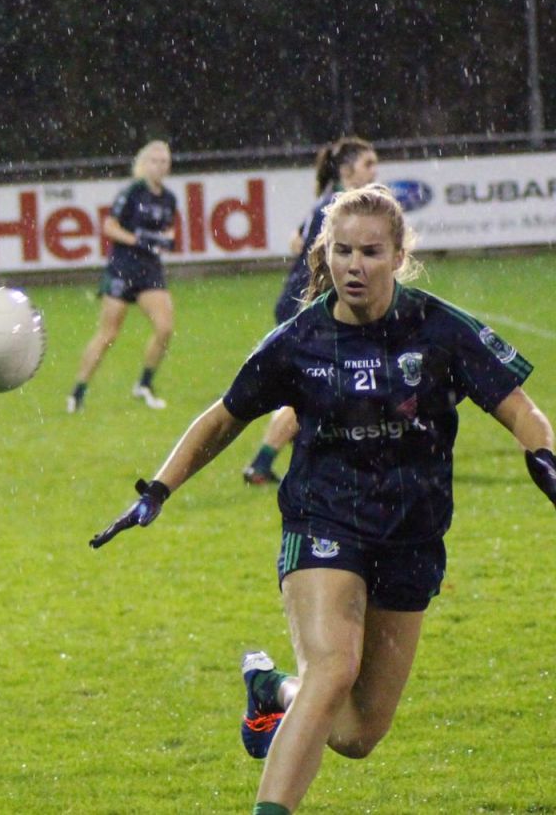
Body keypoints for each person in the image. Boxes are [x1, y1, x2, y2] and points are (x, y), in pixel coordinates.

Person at [90, 184, 556, 815]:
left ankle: (271, 689)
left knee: (359, 734)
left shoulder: (438, 328)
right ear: (325, 253)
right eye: (341, 251)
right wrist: (160, 488)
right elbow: (223, 419)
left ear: (397, 255)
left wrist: (544, 457)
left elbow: (518, 407)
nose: (353, 266)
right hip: (323, 520)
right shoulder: (297, 341)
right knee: (334, 667)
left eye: (369, 252)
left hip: (412, 535)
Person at [243, 137, 378, 485]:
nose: (375, 170)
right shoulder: (342, 207)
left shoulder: (330, 203)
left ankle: (313, 454)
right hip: (307, 304)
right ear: (347, 170)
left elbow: (295, 240)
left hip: (303, 300)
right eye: (368, 163)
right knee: (313, 387)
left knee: (324, 385)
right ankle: (262, 463)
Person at [67, 139, 178, 412]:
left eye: (164, 161)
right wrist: (137, 239)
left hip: (149, 269)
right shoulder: (132, 192)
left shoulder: (169, 198)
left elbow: (168, 232)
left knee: (164, 327)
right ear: (144, 164)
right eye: (154, 160)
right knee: (108, 334)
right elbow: (109, 227)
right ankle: (78, 391)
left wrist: (164, 240)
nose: (160, 165)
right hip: (123, 267)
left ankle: (144, 384)